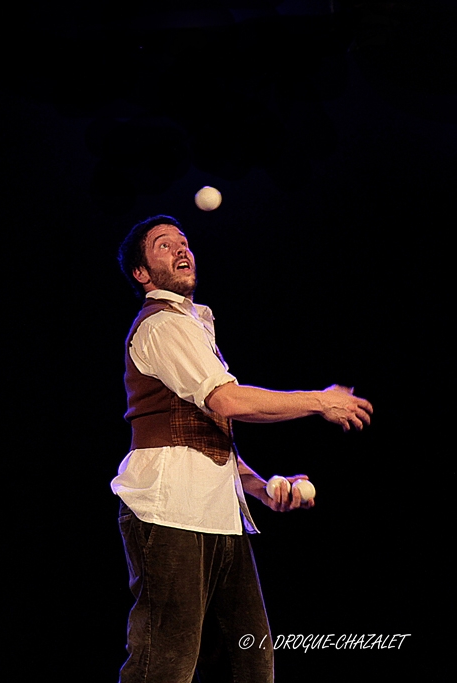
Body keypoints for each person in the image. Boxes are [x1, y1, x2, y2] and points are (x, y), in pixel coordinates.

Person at [110, 215, 372, 683]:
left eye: (184, 242)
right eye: (163, 245)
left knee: (251, 663)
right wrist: (319, 401)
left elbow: (209, 431)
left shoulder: (195, 326)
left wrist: (256, 486)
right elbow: (226, 400)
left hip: (219, 514)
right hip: (169, 513)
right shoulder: (162, 326)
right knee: (163, 666)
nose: (181, 249)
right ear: (141, 274)